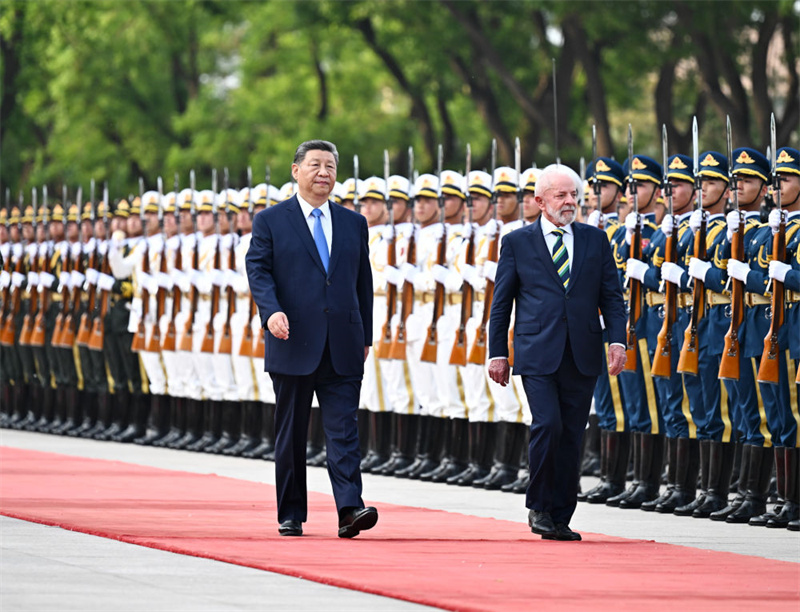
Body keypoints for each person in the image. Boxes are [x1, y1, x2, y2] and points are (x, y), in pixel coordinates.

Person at [488, 163, 626, 541]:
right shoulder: (517, 242)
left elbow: (612, 297)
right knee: (547, 423)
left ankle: (561, 513)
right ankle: (539, 506)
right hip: (536, 351)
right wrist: (497, 352)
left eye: (574, 196)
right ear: (539, 200)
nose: (569, 202)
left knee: (571, 434)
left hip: (581, 352)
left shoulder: (595, 241)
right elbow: (502, 303)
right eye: (561, 195)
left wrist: (617, 340)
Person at [246, 140, 376, 538]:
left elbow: (362, 283)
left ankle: (350, 509)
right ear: (296, 170)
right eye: (316, 165)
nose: (324, 173)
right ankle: (291, 512)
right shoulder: (271, 221)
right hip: (293, 340)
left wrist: (366, 334)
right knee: (292, 432)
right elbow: (258, 270)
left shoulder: (353, 223)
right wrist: (271, 313)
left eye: (331, 166)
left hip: (343, 344)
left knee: (344, 430)